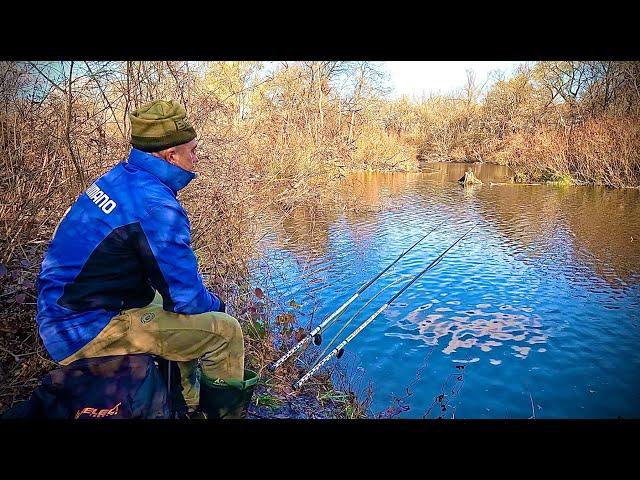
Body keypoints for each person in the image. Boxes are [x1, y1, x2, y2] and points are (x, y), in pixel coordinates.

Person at [35, 99, 256, 419]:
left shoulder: (118, 179)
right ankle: (219, 415)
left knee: (161, 302)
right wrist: (217, 306)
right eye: (192, 151)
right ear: (170, 156)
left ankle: (185, 404)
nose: (196, 159)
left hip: (60, 311)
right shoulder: (157, 207)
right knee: (224, 331)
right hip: (83, 330)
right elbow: (187, 299)